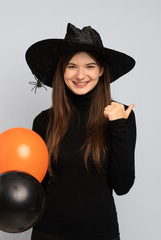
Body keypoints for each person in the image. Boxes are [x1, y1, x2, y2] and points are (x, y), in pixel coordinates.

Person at [25, 23, 136, 240]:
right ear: (62, 70)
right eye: (72, 66)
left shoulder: (121, 115)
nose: (81, 75)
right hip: (48, 232)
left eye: (90, 66)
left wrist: (118, 126)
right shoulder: (43, 121)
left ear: (102, 70)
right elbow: (37, 186)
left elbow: (122, 186)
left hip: (101, 234)